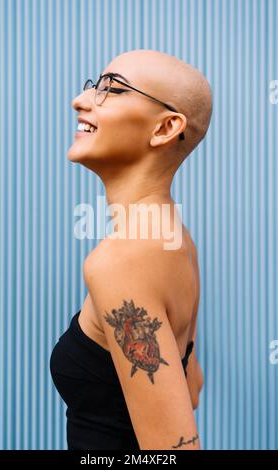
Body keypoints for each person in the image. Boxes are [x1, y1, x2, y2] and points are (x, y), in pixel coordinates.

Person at [50, 49, 213, 450]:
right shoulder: (176, 238)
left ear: (165, 128)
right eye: (94, 85)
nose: (81, 99)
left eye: (113, 89)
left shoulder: (121, 261)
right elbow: (191, 387)